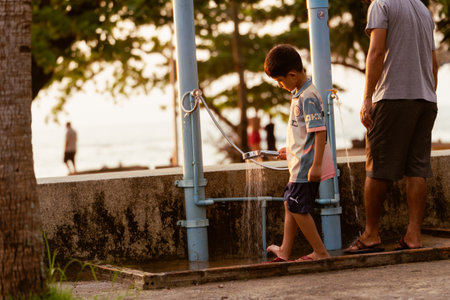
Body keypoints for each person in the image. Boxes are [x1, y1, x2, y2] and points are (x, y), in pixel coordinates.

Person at [345, 0, 438, 254]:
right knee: (417, 169)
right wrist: (428, 93)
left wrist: (367, 98)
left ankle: (371, 235)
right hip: (426, 100)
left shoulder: (381, 5)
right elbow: (433, 61)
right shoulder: (422, 8)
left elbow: (376, 52)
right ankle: (413, 236)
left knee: (376, 167)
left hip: (393, 98)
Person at [264, 44, 336, 261]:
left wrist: (315, 166)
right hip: (300, 162)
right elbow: (305, 132)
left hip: (305, 167)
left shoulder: (308, 97)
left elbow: (320, 131)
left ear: (292, 74)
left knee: (296, 206)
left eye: (280, 80)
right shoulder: (301, 94)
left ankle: (321, 252)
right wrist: (291, 150)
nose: (280, 85)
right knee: (290, 204)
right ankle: (285, 251)